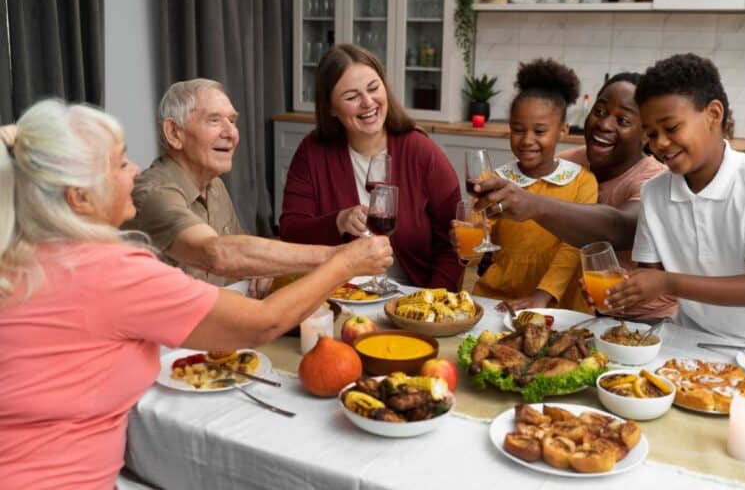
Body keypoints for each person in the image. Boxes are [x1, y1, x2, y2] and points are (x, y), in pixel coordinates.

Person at [0, 99, 392, 489]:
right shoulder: (108, 271)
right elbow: (261, 322)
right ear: (79, 197)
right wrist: (344, 264)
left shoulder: (17, 253)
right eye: (120, 163)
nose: (134, 170)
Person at [474, 73, 676, 320]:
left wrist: (533, 204)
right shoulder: (568, 162)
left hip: (641, 318)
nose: (605, 124)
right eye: (600, 111)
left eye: (622, 120)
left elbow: (620, 228)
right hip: (577, 309)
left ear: (646, 133)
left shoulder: (654, 180)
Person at [605, 53, 745, 342]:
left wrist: (669, 282)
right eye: (651, 134)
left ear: (713, 115)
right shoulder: (654, 193)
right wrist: (621, 290)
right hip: (688, 339)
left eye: (671, 128)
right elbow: (650, 282)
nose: (660, 144)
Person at [123, 79, 341, 287]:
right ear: (174, 133)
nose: (231, 133)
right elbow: (217, 253)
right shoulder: (154, 193)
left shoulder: (214, 185)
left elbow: (239, 251)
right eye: (214, 120)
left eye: (232, 121)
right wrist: (336, 258)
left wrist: (260, 268)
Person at [280, 44, 462, 290]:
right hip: (338, 295)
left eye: (374, 88)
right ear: (331, 107)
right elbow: (291, 233)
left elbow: (454, 242)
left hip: (410, 298)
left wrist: (433, 304)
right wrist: (337, 222)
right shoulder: (312, 152)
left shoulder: (420, 151)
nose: (368, 102)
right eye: (352, 97)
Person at [471, 59, 598, 312]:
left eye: (540, 132)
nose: (527, 140)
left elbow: (572, 248)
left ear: (562, 130)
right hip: (500, 300)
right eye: (518, 129)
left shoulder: (582, 181)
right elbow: (476, 245)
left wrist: (544, 295)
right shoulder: (494, 180)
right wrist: (465, 241)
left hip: (560, 304)